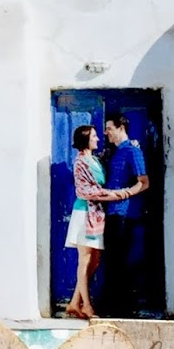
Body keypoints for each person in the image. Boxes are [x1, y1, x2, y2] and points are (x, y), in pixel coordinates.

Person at [64, 124, 140, 319]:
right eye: (94, 136)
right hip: (84, 213)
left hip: (96, 215)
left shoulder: (96, 159)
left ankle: (74, 303)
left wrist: (133, 144)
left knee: (95, 259)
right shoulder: (80, 162)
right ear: (86, 140)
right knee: (85, 259)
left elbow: (119, 152)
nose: (98, 138)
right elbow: (86, 191)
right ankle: (86, 305)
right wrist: (114, 195)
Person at [97, 111, 151, 318]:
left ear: (121, 128)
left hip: (125, 214)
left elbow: (144, 182)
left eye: (109, 129)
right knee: (112, 259)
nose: (106, 133)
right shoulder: (114, 152)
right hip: (111, 212)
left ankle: (125, 308)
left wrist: (125, 193)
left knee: (122, 260)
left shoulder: (132, 151)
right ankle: (112, 306)